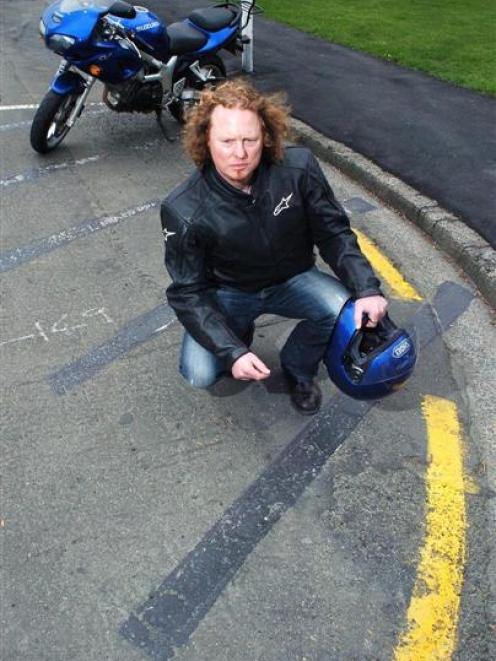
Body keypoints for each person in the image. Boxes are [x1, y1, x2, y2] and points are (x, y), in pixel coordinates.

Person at [161, 79, 387, 415]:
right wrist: (231, 351)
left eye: (249, 140)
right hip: (229, 291)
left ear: (265, 136)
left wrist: (367, 288)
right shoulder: (183, 209)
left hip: (293, 277)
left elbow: (334, 232)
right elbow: (186, 292)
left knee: (343, 309)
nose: (239, 154)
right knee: (199, 372)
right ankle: (239, 334)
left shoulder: (298, 168)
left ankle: (299, 370)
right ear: (205, 140)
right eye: (226, 141)